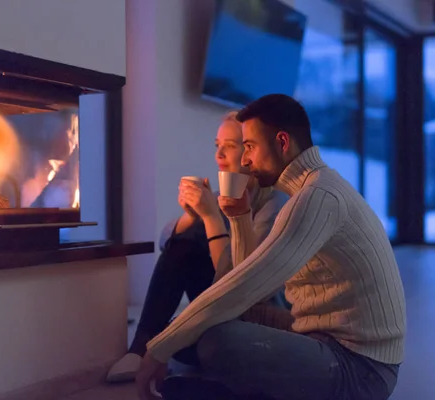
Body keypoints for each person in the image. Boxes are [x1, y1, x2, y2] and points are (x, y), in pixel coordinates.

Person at [136, 94, 407, 400]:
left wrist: (157, 350)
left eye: (248, 146)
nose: (245, 159)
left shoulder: (316, 197)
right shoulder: (314, 187)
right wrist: (238, 215)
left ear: (281, 143)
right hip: (321, 337)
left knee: (217, 341)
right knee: (197, 333)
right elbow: (248, 290)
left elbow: (245, 287)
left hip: (360, 370)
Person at [107, 111, 288, 383]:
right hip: (221, 308)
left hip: (257, 318)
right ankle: (141, 347)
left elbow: (243, 283)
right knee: (183, 249)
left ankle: (192, 358)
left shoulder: (276, 206)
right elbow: (167, 244)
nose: (219, 156)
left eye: (230, 146)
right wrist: (191, 216)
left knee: (185, 343)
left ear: (251, 151)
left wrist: (212, 218)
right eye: (217, 146)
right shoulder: (222, 195)